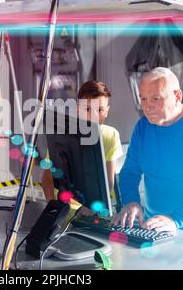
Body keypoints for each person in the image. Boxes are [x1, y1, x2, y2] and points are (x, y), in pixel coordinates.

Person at [112, 67, 183, 236]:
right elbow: (129, 172)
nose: (147, 107)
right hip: (154, 227)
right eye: (143, 99)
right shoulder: (142, 127)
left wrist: (175, 219)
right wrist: (131, 201)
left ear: (177, 96)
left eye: (155, 98)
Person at [41, 81, 124, 212]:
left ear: (107, 111)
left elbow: (108, 185)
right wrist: (52, 207)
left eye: (100, 110)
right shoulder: (64, 134)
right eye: (87, 109)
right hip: (68, 209)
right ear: (78, 109)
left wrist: (92, 209)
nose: (94, 115)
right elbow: (47, 177)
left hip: (99, 210)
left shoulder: (111, 135)